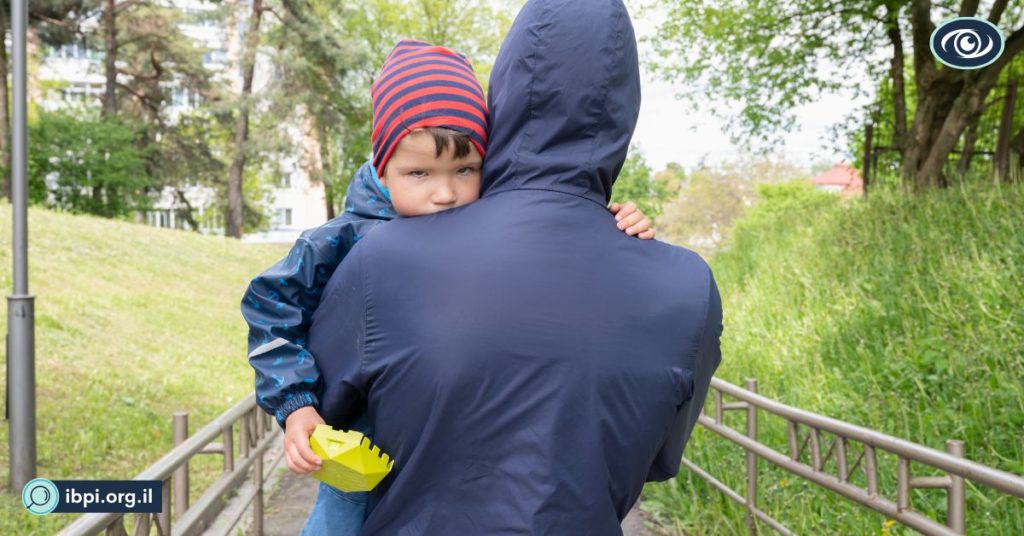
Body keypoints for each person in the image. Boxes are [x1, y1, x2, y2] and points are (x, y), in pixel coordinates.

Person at [308, 0, 723, 533]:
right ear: (625, 104)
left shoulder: (387, 254)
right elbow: (659, 460)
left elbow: (324, 407)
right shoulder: (686, 286)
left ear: (502, 94)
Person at [241, 39, 656, 534]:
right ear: (381, 167)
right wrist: (295, 405)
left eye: (465, 169)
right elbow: (271, 305)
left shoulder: (494, 225)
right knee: (339, 521)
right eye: (418, 173)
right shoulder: (341, 238)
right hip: (364, 431)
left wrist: (604, 220)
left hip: (458, 434)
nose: (444, 193)